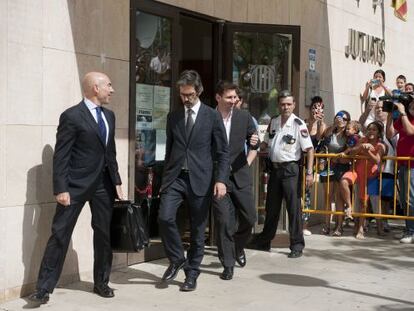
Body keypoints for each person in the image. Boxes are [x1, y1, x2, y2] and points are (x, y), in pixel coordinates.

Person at [28, 72, 124, 304]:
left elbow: (110, 152)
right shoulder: (72, 116)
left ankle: (101, 282)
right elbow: (61, 156)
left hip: (104, 186)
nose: (111, 90)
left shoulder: (109, 116)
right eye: (108, 85)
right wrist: (61, 188)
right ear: (95, 88)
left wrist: (117, 182)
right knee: (60, 235)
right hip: (74, 187)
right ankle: (43, 288)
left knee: (103, 235)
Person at [158, 70, 229, 291]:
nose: (185, 99)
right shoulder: (174, 117)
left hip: (202, 179)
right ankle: (177, 258)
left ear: (198, 91)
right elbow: (170, 151)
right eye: (182, 94)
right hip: (176, 178)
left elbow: (222, 152)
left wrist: (221, 180)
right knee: (164, 217)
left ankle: (192, 274)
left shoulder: (212, 116)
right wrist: (165, 179)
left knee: (198, 230)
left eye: (189, 94)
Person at [249, 90, 314, 258]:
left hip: (291, 169)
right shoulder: (274, 121)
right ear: (279, 105)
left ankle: (297, 245)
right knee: (272, 207)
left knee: (293, 208)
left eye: (288, 104)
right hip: (275, 169)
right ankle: (265, 241)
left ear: (294, 105)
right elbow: (266, 142)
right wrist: (258, 145)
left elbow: (309, 149)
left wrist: (309, 172)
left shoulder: (298, 124)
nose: (285, 107)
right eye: (282, 104)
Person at [213, 81, 259, 281]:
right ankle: (228, 263)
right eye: (229, 97)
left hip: (240, 175)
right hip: (217, 179)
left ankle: (238, 248)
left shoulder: (244, 116)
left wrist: (252, 148)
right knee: (224, 221)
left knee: (249, 218)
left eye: (235, 98)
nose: (233, 101)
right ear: (218, 98)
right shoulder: (208, 116)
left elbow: (254, 141)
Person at [339, 121, 386, 239]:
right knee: (344, 182)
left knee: (371, 203)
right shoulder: (362, 140)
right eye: (369, 129)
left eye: (374, 129)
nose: (371, 131)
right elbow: (352, 153)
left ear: (379, 133)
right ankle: (349, 209)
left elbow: (377, 160)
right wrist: (361, 146)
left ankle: (371, 227)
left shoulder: (381, 145)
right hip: (357, 173)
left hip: (371, 177)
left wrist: (367, 151)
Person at [387, 97, 414, 243]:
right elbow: (390, 134)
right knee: (404, 199)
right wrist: (390, 115)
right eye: (410, 104)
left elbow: (410, 131)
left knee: (411, 199)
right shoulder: (405, 118)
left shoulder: (406, 119)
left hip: (413, 166)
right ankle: (408, 229)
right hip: (403, 165)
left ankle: (411, 231)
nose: (412, 106)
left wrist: (402, 113)